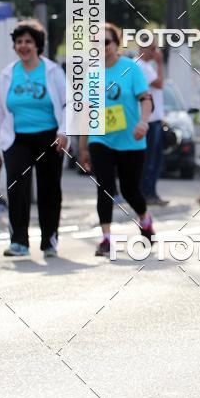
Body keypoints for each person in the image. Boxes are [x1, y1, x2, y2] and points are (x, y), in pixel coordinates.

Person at [0, 19, 67, 257]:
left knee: (49, 189)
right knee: (17, 189)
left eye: (28, 41)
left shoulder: (52, 71)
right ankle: (18, 241)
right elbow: (0, 110)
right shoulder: (7, 74)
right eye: (19, 42)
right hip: (16, 139)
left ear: (37, 45)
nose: (23, 46)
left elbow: (68, 105)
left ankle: (49, 240)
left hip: (48, 138)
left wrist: (63, 132)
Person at [79, 23, 155, 256]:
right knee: (105, 187)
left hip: (131, 139)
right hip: (100, 139)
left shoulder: (130, 69)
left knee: (130, 189)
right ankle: (105, 238)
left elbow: (145, 98)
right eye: (96, 43)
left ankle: (145, 218)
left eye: (106, 42)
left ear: (116, 44)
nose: (101, 47)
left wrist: (143, 122)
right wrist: (82, 147)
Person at [136, 41, 168, 205]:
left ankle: (151, 193)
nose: (155, 52)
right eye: (152, 49)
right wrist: (160, 63)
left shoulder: (147, 66)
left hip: (155, 118)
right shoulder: (141, 65)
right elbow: (160, 84)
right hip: (148, 120)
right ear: (142, 49)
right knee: (148, 160)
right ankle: (146, 194)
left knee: (155, 160)